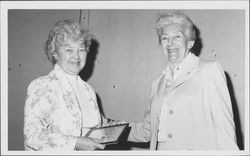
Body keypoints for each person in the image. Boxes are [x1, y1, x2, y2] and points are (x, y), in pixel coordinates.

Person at [127, 11, 239, 150]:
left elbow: (225, 130)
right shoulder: (157, 82)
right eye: (165, 38)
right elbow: (147, 130)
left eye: (177, 36)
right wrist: (106, 128)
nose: (170, 43)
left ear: (190, 43)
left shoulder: (209, 71)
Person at [24, 20, 118, 151]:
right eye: (69, 49)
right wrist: (76, 142)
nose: (76, 56)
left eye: (81, 49)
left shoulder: (88, 90)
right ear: (55, 53)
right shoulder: (43, 85)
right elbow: (33, 136)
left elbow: (100, 127)